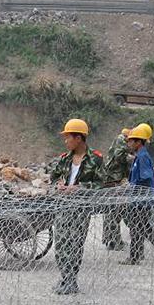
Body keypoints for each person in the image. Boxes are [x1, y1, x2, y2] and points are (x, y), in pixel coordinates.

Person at [50, 118, 105, 294]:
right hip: (63, 206)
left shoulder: (95, 159)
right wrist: (58, 185)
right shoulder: (64, 159)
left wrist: (80, 188)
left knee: (75, 245)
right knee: (60, 244)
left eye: (68, 137)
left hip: (80, 209)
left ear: (79, 138)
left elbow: (102, 183)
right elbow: (53, 177)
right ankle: (64, 277)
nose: (65, 141)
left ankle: (71, 281)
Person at [121, 124, 154, 265]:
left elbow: (146, 177)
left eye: (131, 140)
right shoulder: (139, 156)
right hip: (138, 199)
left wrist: (131, 185)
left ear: (139, 142)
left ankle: (141, 254)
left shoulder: (142, 156)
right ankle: (141, 254)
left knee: (139, 227)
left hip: (141, 200)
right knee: (140, 227)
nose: (129, 143)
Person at [102, 127, 132, 251]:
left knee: (112, 211)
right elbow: (119, 156)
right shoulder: (120, 139)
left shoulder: (122, 141)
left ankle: (111, 241)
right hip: (113, 179)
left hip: (116, 179)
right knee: (114, 211)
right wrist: (132, 158)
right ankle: (113, 241)